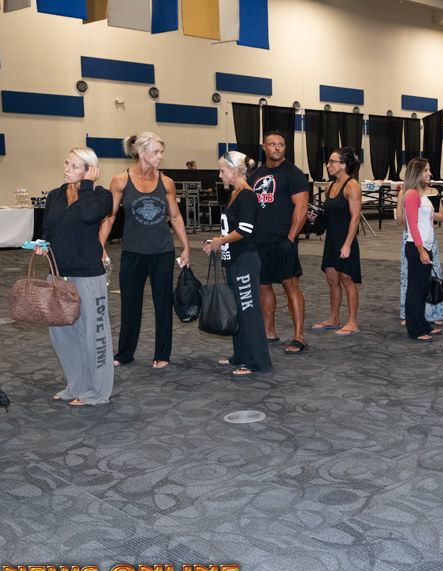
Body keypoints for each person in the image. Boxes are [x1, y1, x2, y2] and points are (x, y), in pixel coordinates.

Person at [99, 131, 191, 369]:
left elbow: (175, 217)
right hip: (133, 252)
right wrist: (100, 247)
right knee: (130, 304)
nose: (160, 156)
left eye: (161, 152)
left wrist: (186, 247)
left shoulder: (167, 182)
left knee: (163, 304)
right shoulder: (120, 181)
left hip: (162, 251)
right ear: (141, 152)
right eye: (156, 152)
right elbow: (110, 217)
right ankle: (125, 354)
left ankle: (162, 354)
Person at [41, 147, 114, 405]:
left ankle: (97, 392)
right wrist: (42, 244)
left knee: (93, 333)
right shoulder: (54, 195)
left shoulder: (101, 196)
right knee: (62, 334)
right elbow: (48, 229)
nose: (66, 169)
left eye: (74, 166)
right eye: (66, 163)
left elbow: (89, 216)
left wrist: (86, 186)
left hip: (88, 276)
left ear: (89, 171)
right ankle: (76, 385)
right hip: (58, 275)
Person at [205, 152, 272, 375]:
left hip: (245, 261)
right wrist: (217, 241)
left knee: (249, 310)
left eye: (222, 171)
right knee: (238, 310)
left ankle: (258, 362)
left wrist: (221, 241)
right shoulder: (235, 194)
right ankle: (241, 355)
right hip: (234, 260)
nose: (220, 175)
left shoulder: (246, 195)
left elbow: (245, 230)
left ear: (234, 170)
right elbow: (233, 228)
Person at [247, 131, 310, 354]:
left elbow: (302, 207)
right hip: (259, 241)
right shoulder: (255, 175)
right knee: (263, 285)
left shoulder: (293, 173)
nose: (277, 148)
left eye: (281, 144)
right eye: (272, 144)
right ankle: (269, 331)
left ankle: (299, 336)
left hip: (283, 240)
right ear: (264, 147)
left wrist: (291, 238)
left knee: (290, 286)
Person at [312, 147, 362, 336]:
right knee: (332, 279)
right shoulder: (329, 187)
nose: (328, 165)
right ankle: (334, 318)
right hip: (332, 240)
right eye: (329, 162)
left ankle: (352, 322)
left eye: (332, 162)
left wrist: (348, 244)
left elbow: (355, 217)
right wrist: (313, 219)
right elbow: (326, 218)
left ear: (343, 165)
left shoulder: (352, 186)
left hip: (346, 240)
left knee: (347, 280)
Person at [397, 167, 443, 326]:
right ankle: (411, 315)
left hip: (428, 237)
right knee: (412, 278)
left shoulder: (433, 191)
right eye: (426, 170)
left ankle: (432, 311)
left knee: (432, 276)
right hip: (413, 238)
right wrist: (411, 211)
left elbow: (442, 217)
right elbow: (401, 220)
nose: (430, 173)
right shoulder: (406, 193)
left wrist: (429, 213)